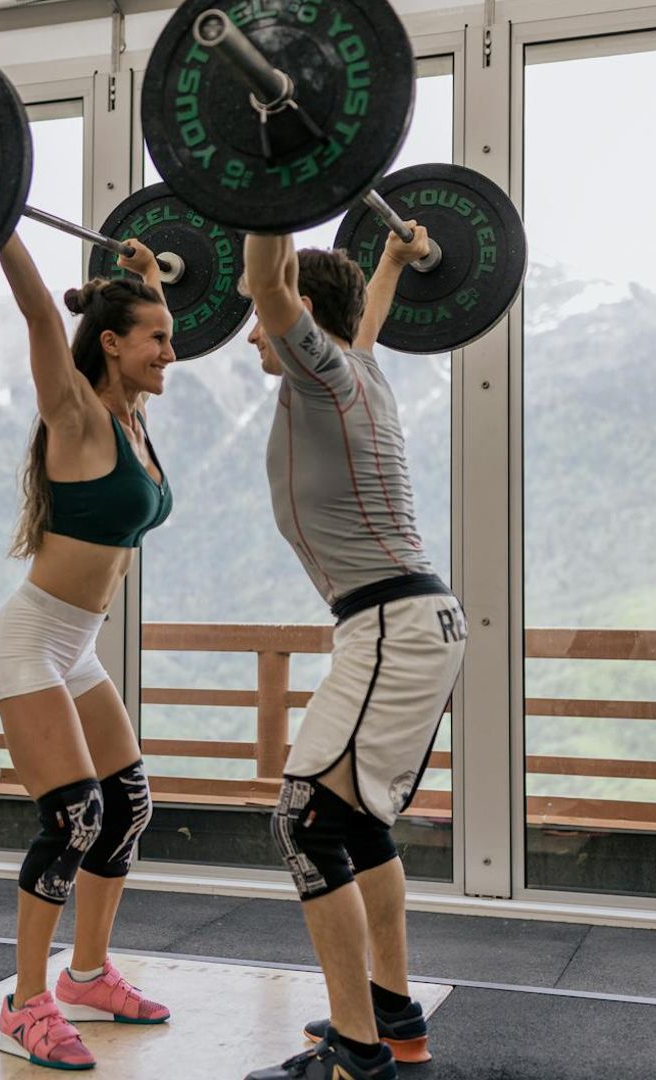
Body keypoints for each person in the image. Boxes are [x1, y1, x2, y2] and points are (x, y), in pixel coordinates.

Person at [239, 226, 469, 1080]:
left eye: (263, 319)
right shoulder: (360, 366)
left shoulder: (325, 372)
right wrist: (394, 263)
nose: (252, 331)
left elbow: (270, 281)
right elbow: (363, 315)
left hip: (391, 627)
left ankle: (357, 1055)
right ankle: (394, 1014)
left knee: (303, 823)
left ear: (301, 314)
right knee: (356, 822)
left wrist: (272, 200)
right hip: (411, 623)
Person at [0, 233, 177, 1071]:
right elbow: (35, 311)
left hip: (77, 646)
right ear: (109, 345)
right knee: (74, 817)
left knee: (127, 803)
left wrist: (146, 278)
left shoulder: (133, 416)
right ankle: (23, 1006)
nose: (174, 349)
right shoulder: (77, 414)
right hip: (28, 641)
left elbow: (141, 314)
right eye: (158, 338)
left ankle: (87, 976)